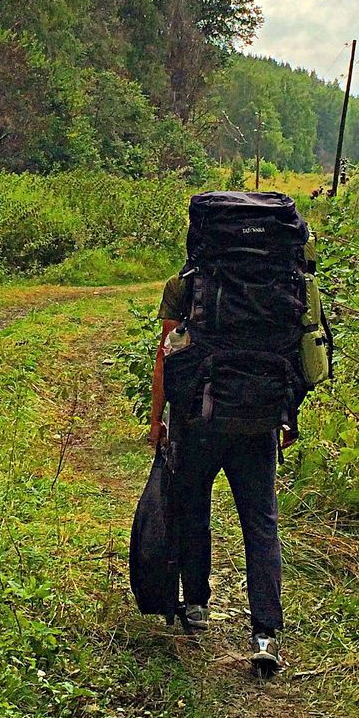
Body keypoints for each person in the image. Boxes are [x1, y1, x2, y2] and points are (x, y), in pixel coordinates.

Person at [149, 268, 293, 675]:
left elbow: (166, 352)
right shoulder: (275, 279)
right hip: (257, 420)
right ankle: (266, 635)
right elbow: (294, 347)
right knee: (261, 524)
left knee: (194, 511)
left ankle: (196, 605)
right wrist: (287, 414)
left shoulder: (186, 283)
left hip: (198, 420)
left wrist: (157, 417)